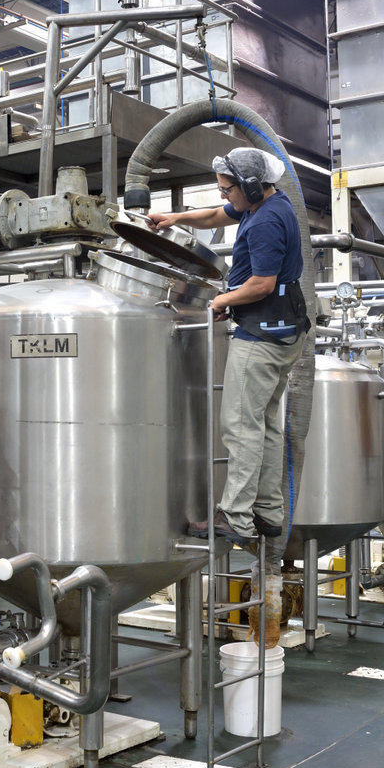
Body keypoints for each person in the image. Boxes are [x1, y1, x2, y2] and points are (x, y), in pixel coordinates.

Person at [149, 147, 308, 546]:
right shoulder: (265, 204)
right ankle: (267, 511)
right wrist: (176, 218)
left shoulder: (266, 221)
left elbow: (262, 284)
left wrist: (221, 300)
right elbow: (217, 216)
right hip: (283, 327)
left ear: (251, 186)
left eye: (227, 189)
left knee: (239, 426)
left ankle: (236, 516)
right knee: (265, 424)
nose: (224, 196)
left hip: (263, 335)